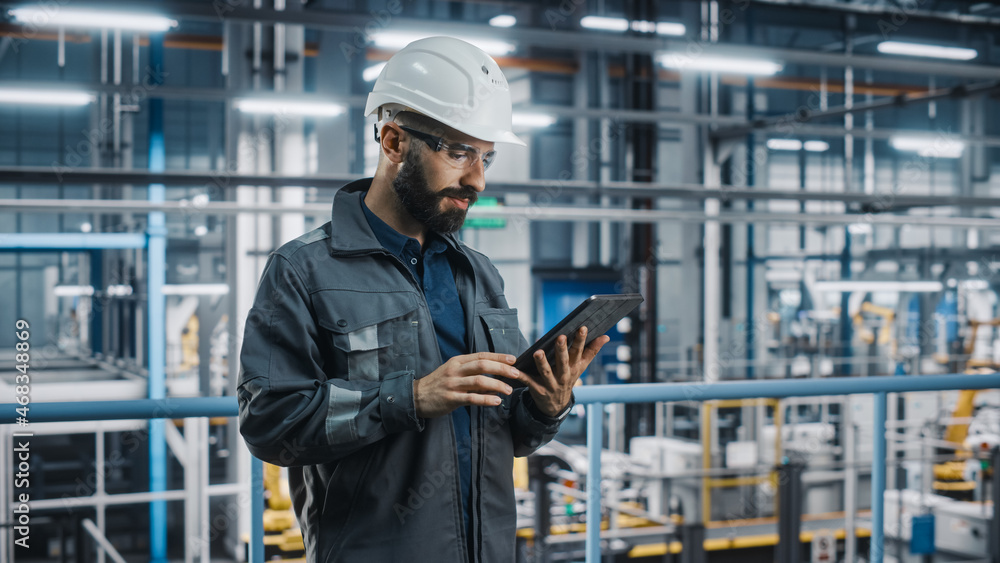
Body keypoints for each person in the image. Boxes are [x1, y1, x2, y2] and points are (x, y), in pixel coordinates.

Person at [237, 36, 609, 562]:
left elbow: (511, 434)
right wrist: (408, 399)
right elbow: (270, 425)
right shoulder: (302, 271)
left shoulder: (479, 275)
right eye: (458, 152)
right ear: (393, 142)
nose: (477, 179)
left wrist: (546, 407)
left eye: (486, 156)